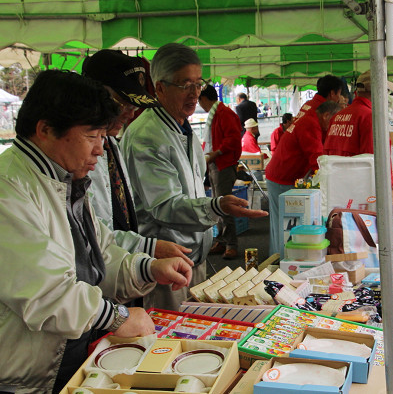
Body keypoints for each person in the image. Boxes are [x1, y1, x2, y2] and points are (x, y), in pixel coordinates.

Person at [0, 70, 192, 393]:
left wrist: (147, 267)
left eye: (104, 137)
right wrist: (117, 317)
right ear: (45, 129)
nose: (100, 150)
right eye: (92, 136)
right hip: (25, 382)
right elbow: (47, 293)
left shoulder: (64, 180)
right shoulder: (10, 188)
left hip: (73, 361)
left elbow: (101, 253)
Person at [120, 43, 267, 310]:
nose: (194, 93)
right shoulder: (147, 136)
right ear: (160, 87)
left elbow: (193, 188)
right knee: (170, 337)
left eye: (198, 84)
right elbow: (165, 206)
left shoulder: (181, 126)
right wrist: (215, 205)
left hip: (191, 254)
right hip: (165, 260)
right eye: (184, 84)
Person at [83, 50, 194, 277]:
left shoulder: (112, 143)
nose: (130, 112)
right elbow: (92, 233)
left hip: (122, 268)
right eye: (122, 103)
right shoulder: (77, 156)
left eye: (134, 105)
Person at [265, 100, 341, 255]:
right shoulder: (310, 124)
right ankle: (279, 264)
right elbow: (317, 159)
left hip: (284, 176)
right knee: (283, 227)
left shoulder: (310, 119)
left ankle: (278, 261)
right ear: (326, 116)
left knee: (281, 225)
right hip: (282, 179)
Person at [199, 83, 243, 259]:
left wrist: (215, 153)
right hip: (216, 163)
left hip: (222, 163)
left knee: (224, 205)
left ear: (204, 99)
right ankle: (223, 241)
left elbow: (233, 139)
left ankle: (231, 243)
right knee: (218, 205)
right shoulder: (218, 114)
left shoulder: (224, 114)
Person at [323, 70, 393, 156]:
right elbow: (376, 160)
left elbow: (326, 156)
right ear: (379, 91)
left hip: (336, 169)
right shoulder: (371, 118)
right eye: (386, 91)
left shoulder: (337, 117)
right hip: (360, 169)